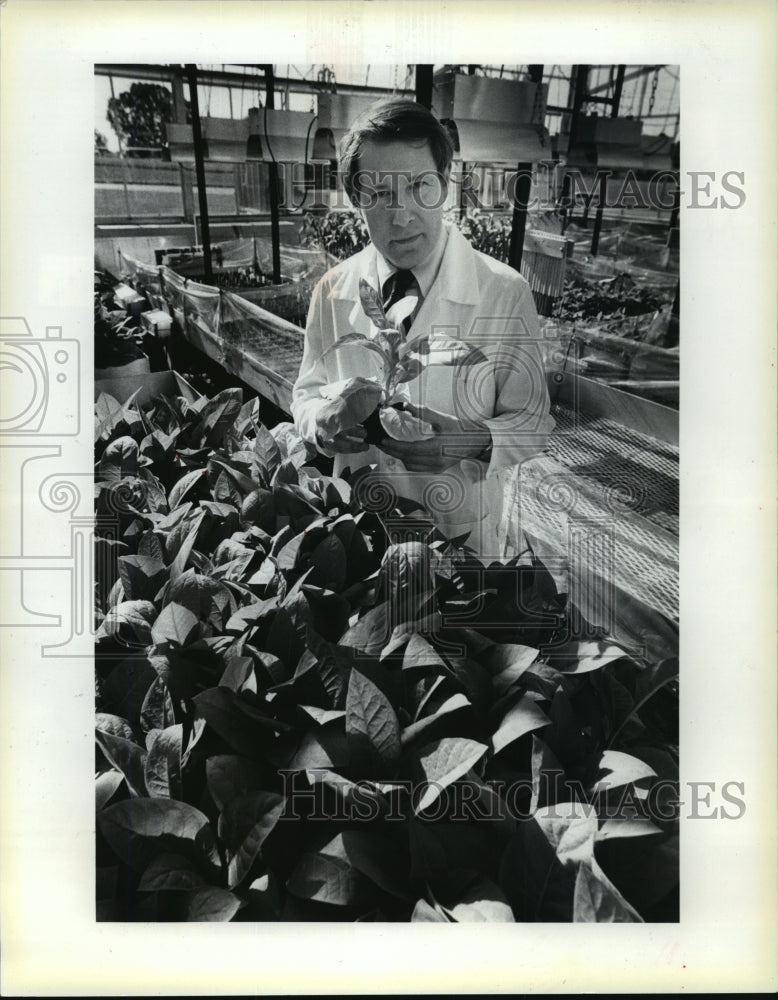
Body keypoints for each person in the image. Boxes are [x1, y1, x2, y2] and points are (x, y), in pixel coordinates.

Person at [291, 99, 554, 560]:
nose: (402, 215)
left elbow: (533, 420)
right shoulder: (332, 291)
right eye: (379, 194)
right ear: (356, 200)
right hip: (358, 533)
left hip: (460, 532)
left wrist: (471, 440)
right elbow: (306, 394)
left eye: (419, 187)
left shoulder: (504, 293)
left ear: (445, 185)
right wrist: (322, 425)